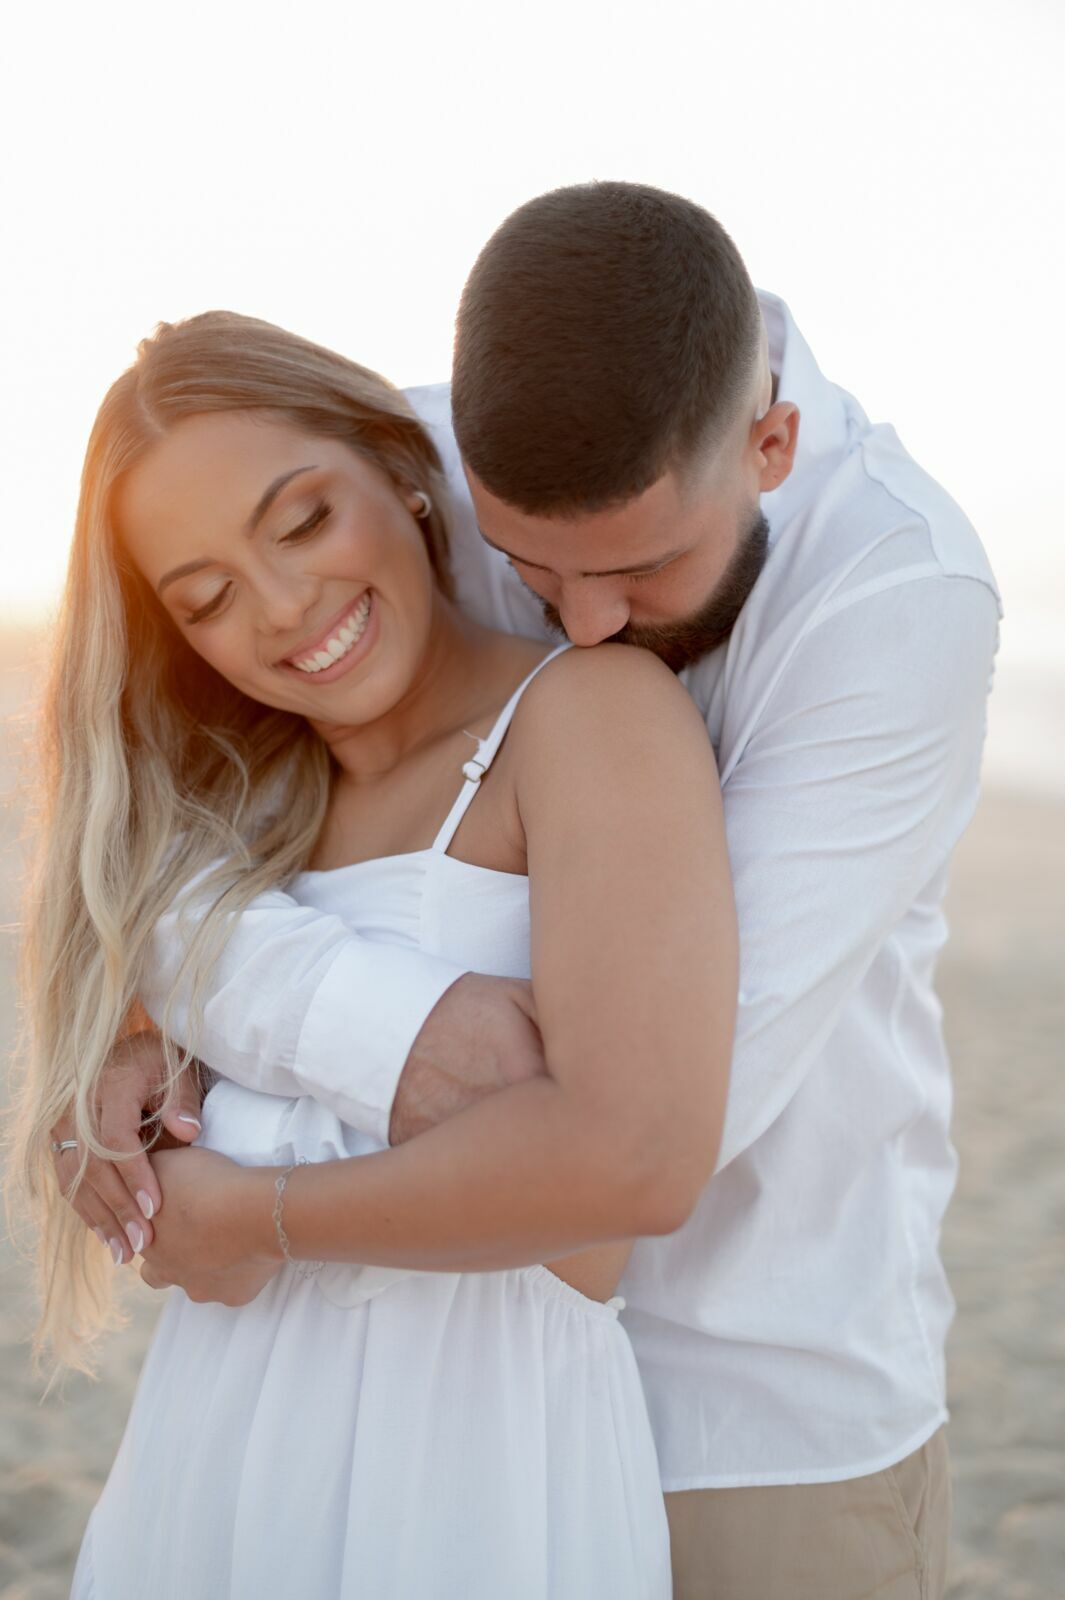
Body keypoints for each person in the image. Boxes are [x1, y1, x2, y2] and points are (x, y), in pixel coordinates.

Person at [54, 181, 1000, 1600]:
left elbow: (638, 1128)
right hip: (292, 1408)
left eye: (639, 564)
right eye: (525, 564)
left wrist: (256, 1194)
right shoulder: (420, 466)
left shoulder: (892, 600)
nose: (583, 617)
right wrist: (145, 1023)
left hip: (757, 1402)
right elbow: (201, 827)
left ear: (771, 446)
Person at [7, 309, 738, 1597]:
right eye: (210, 597)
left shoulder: (590, 718)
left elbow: (623, 1173)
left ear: (403, 471)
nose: (288, 608)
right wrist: (130, 1048)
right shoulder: (236, 819)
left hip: (480, 1458)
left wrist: (265, 1218)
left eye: (301, 521)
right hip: (218, 1441)